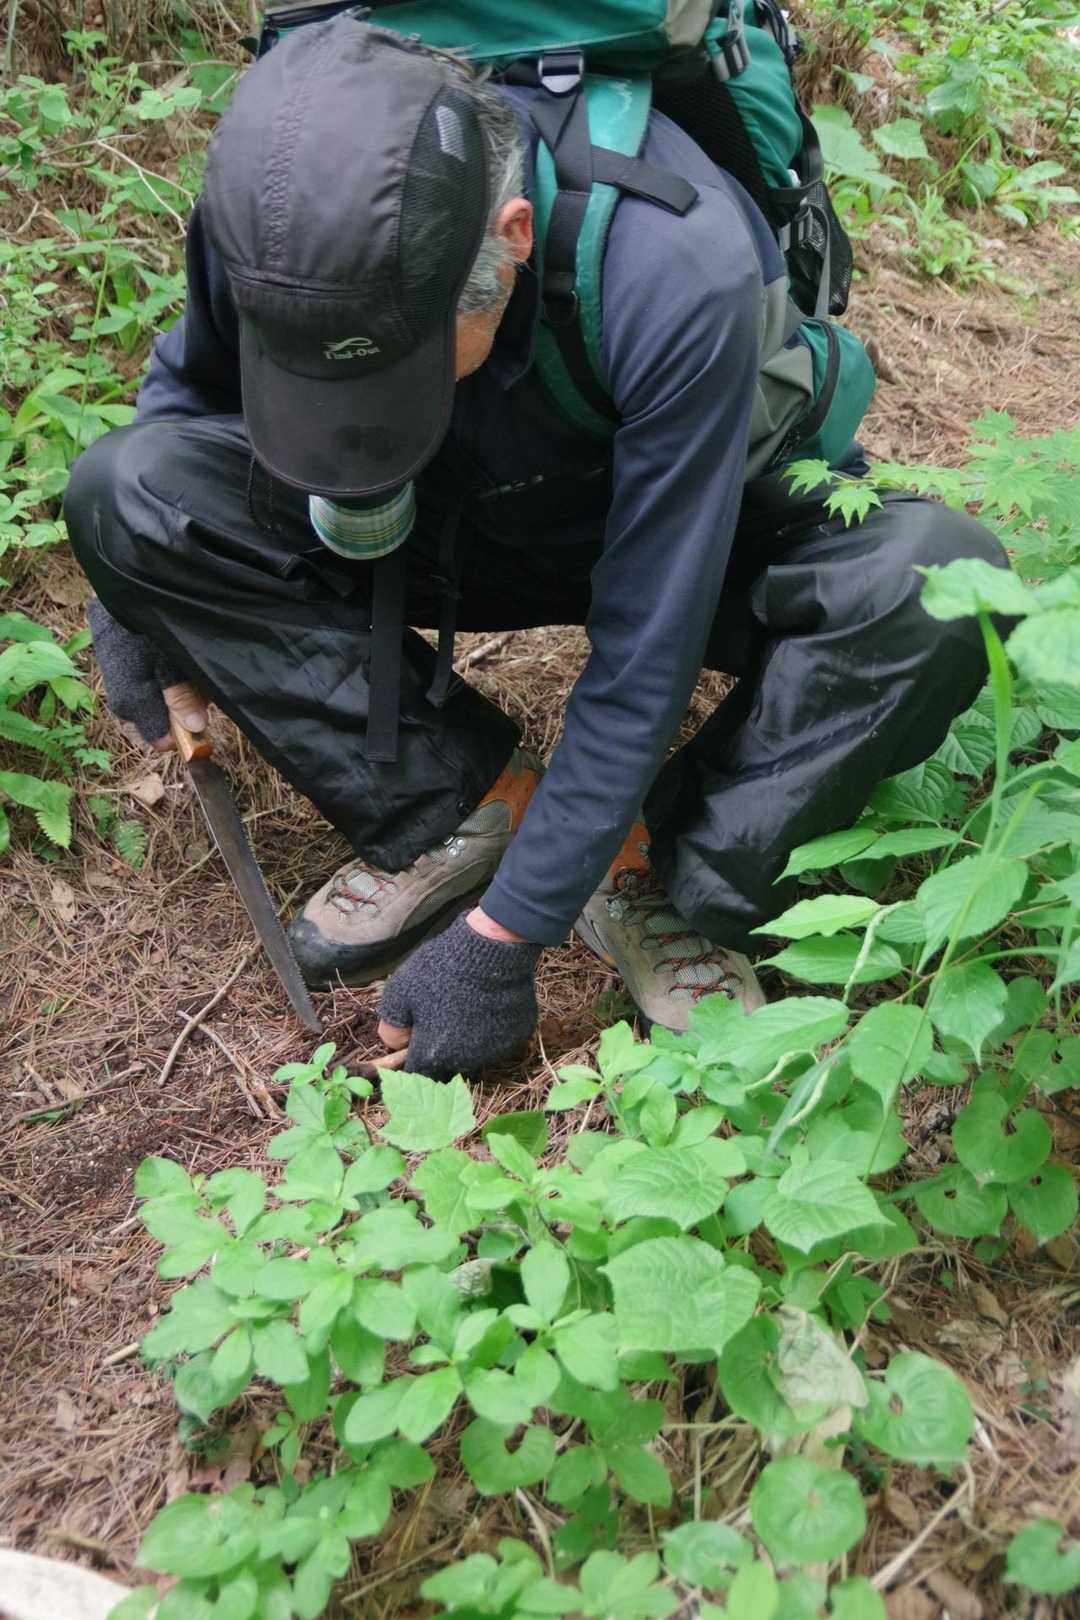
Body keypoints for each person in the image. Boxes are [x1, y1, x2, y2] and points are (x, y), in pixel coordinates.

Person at [65, 15, 1007, 1080]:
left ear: (511, 236)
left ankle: (658, 872)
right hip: (445, 525)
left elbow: (645, 649)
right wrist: (137, 592)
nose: (362, 414)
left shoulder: (671, 263)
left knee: (939, 583)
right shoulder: (276, 219)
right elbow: (185, 395)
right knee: (127, 494)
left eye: (400, 371)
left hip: (682, 525)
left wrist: (503, 938)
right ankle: (463, 802)